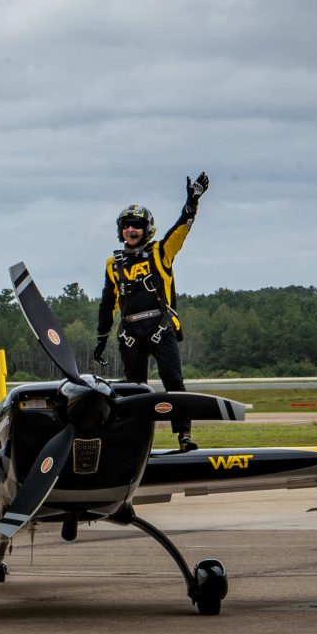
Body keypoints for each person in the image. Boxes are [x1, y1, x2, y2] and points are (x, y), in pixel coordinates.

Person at [93, 171, 208, 451]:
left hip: (161, 329)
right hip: (130, 333)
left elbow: (182, 228)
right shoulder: (113, 264)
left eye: (137, 226)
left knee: (174, 382)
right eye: (126, 226)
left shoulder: (160, 253)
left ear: (147, 229)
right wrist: (101, 338)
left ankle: (184, 434)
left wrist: (192, 201)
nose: (131, 231)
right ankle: (135, 440)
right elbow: (107, 303)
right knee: (135, 391)